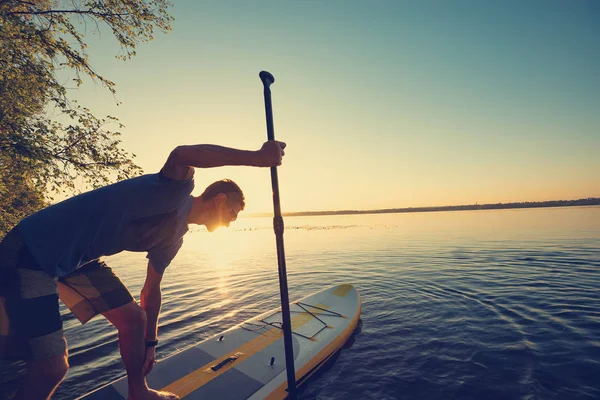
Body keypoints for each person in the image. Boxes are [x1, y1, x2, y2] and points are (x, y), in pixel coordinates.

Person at [0, 140, 286, 400]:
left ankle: (139, 393)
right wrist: (257, 158)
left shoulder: (174, 239)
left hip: (76, 260)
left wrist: (150, 342)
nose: (233, 220)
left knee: (135, 319)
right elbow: (182, 154)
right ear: (220, 199)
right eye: (234, 212)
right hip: (31, 251)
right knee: (51, 368)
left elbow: (151, 291)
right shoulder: (176, 191)